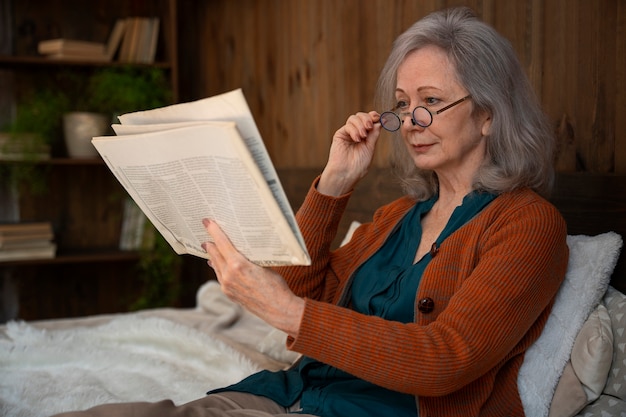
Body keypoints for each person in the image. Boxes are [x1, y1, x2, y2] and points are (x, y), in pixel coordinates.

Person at [52, 6, 569, 417]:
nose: (410, 121)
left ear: (487, 116)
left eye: (429, 101)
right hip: (289, 393)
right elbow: (302, 290)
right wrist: (334, 185)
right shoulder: (395, 218)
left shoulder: (528, 225)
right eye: (401, 102)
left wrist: (284, 311)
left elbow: (446, 360)